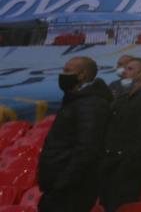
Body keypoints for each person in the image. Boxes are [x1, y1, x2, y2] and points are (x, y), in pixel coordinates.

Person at [38, 56, 113, 212]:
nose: (62, 74)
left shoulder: (91, 103)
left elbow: (87, 149)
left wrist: (63, 182)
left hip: (71, 189)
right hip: (60, 185)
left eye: (67, 71)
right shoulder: (77, 100)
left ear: (82, 75)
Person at [100, 58, 141, 212]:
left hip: (127, 169)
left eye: (129, 69)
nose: (123, 72)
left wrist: (128, 165)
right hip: (111, 163)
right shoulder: (123, 98)